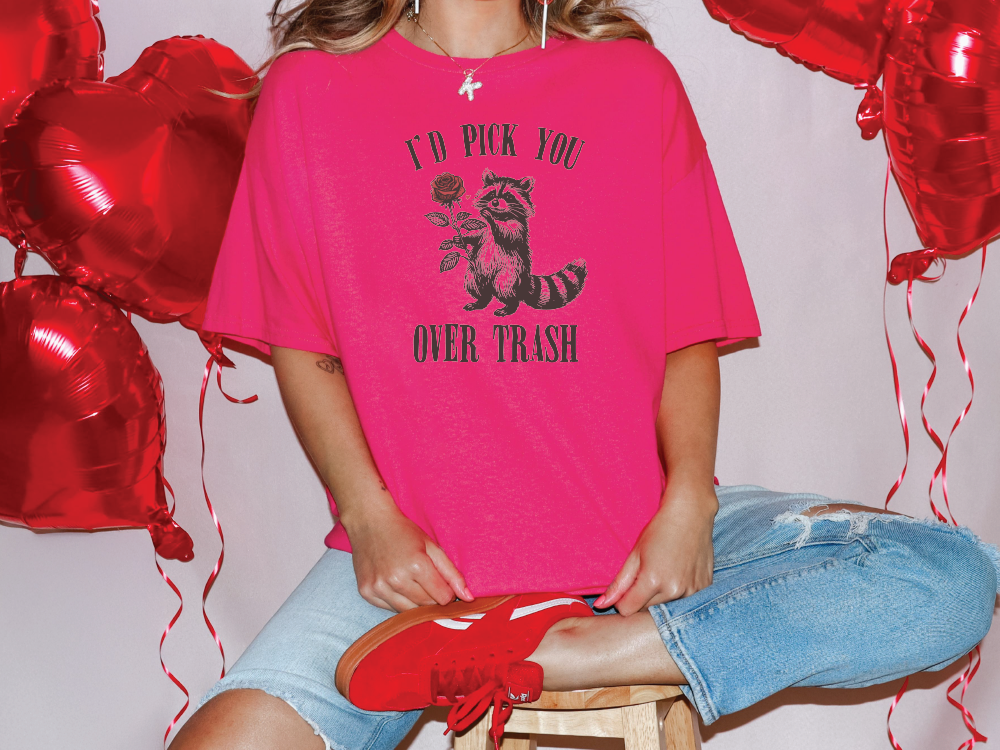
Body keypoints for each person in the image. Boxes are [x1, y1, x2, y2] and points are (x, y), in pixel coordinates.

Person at [170, 0, 1000, 747]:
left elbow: (687, 335)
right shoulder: (312, 91)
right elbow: (303, 344)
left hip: (636, 549)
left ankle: (561, 651)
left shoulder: (633, 82)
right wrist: (370, 517)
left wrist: (685, 503)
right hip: (426, 570)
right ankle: (543, 644)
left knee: (948, 584)